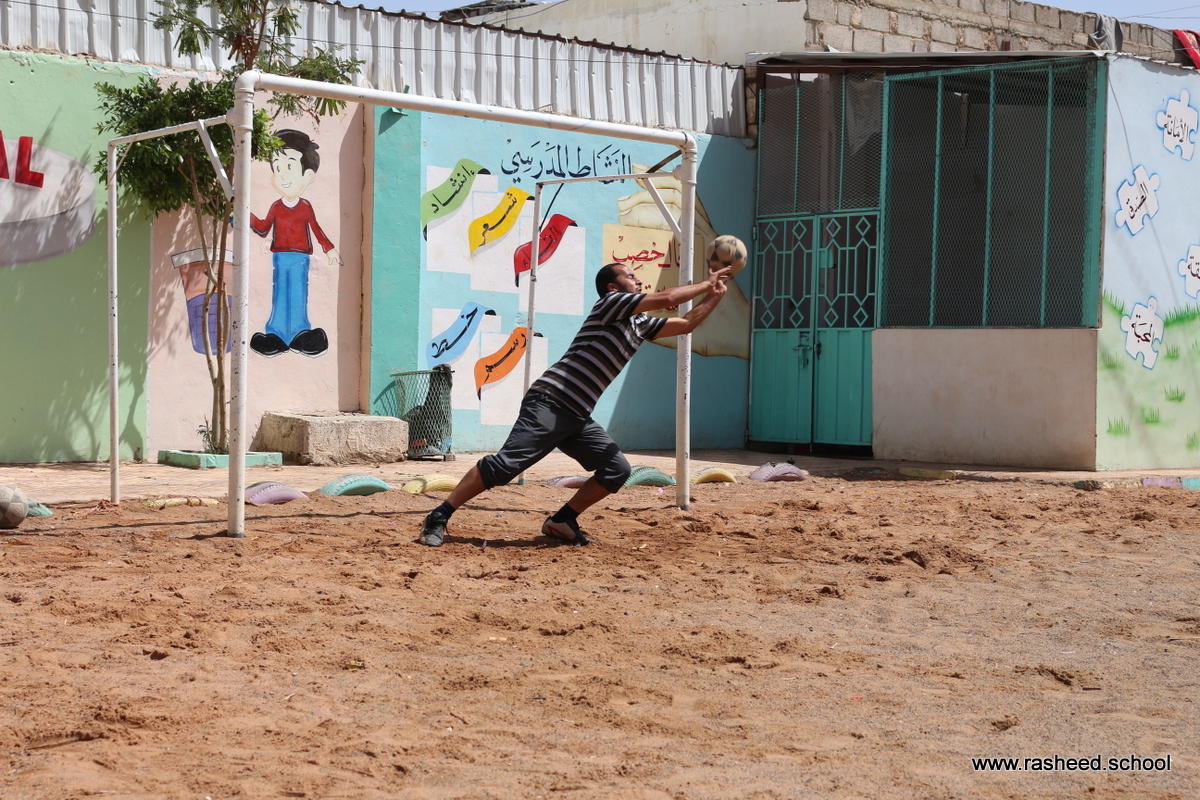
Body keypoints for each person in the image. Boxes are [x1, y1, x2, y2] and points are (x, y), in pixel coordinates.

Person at [418, 259, 732, 547]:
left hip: (578, 415)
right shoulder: (611, 304)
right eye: (630, 276)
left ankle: (562, 521)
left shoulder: (640, 323)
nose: (638, 280)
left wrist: (715, 295)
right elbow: (668, 298)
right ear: (613, 287)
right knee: (505, 467)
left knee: (616, 469)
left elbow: (686, 323)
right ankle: (439, 515)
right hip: (551, 401)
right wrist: (707, 283)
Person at [249, 129, 342, 358]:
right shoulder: (276, 206)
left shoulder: (306, 207)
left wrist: (329, 249)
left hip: (301, 258)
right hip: (280, 257)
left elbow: (316, 229)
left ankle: (300, 332)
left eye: (289, 167)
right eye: (277, 168)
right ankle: (276, 334)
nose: (282, 175)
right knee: (280, 292)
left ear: (308, 175)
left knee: (298, 293)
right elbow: (263, 228)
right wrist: (244, 215)